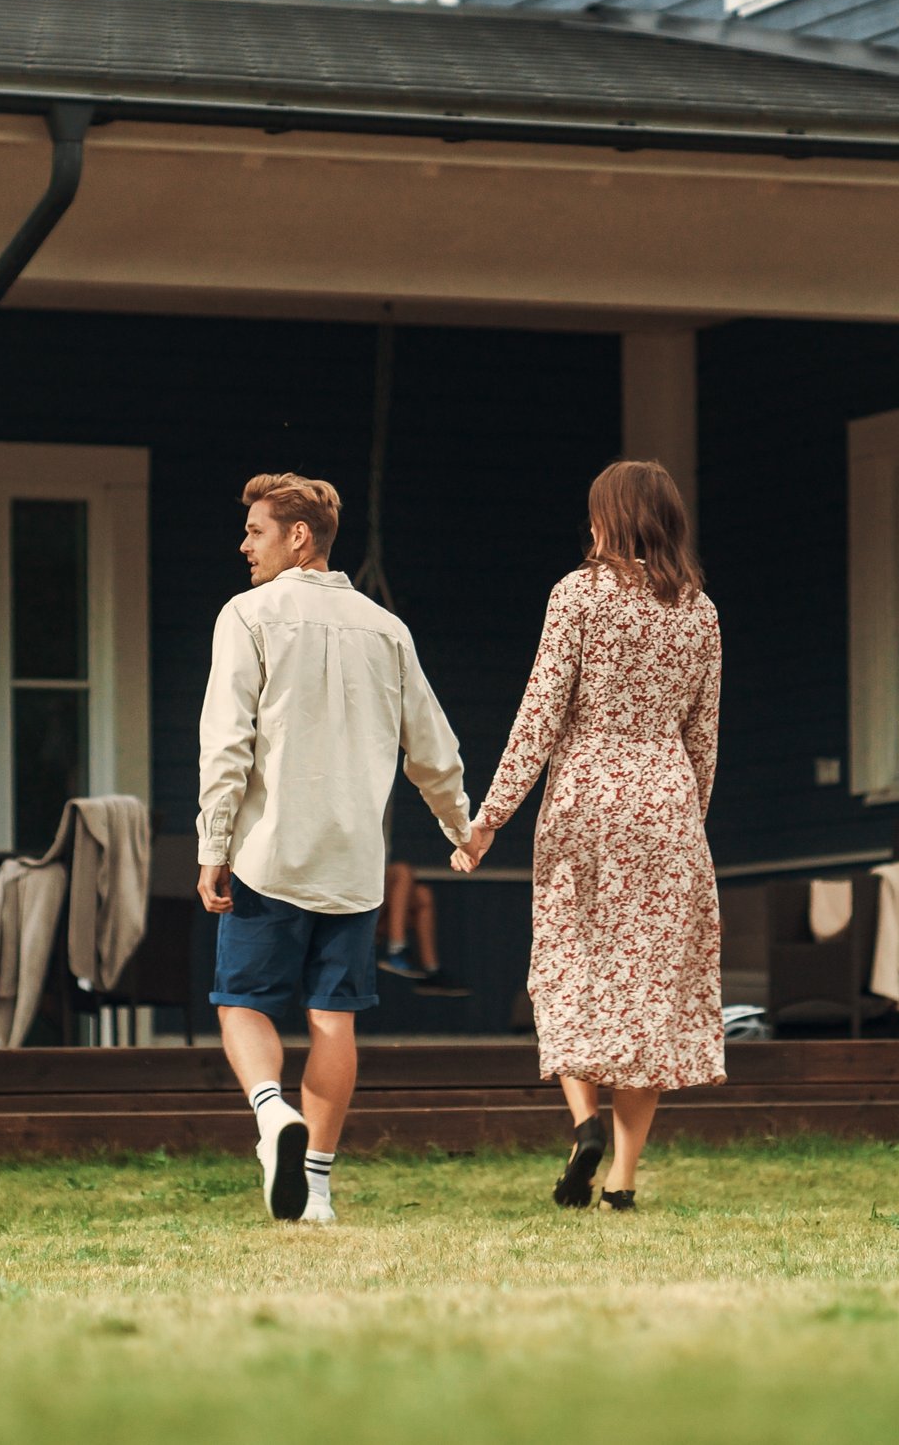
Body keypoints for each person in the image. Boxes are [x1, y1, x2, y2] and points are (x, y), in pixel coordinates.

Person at [198, 472, 472, 1225]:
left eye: (255, 531)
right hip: (354, 865)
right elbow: (433, 747)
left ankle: (271, 1114)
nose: (243, 545)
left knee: (242, 1005)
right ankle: (315, 1189)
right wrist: (461, 827)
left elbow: (227, 743)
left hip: (269, 854)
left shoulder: (247, 615)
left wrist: (212, 844)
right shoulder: (387, 629)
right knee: (334, 1019)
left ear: (298, 537)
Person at [455, 460, 721, 1212]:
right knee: (649, 990)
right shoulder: (700, 610)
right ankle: (623, 1181)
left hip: (587, 800)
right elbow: (703, 735)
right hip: (667, 805)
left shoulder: (577, 595)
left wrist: (488, 820)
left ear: (610, 519)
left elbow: (539, 715)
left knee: (570, 964)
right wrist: (688, 821)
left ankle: (584, 1125)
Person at [379, 858, 469, 996]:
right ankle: (396, 948)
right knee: (402, 871)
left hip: (377, 908)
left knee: (423, 895)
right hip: (354, 905)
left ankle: (431, 970)